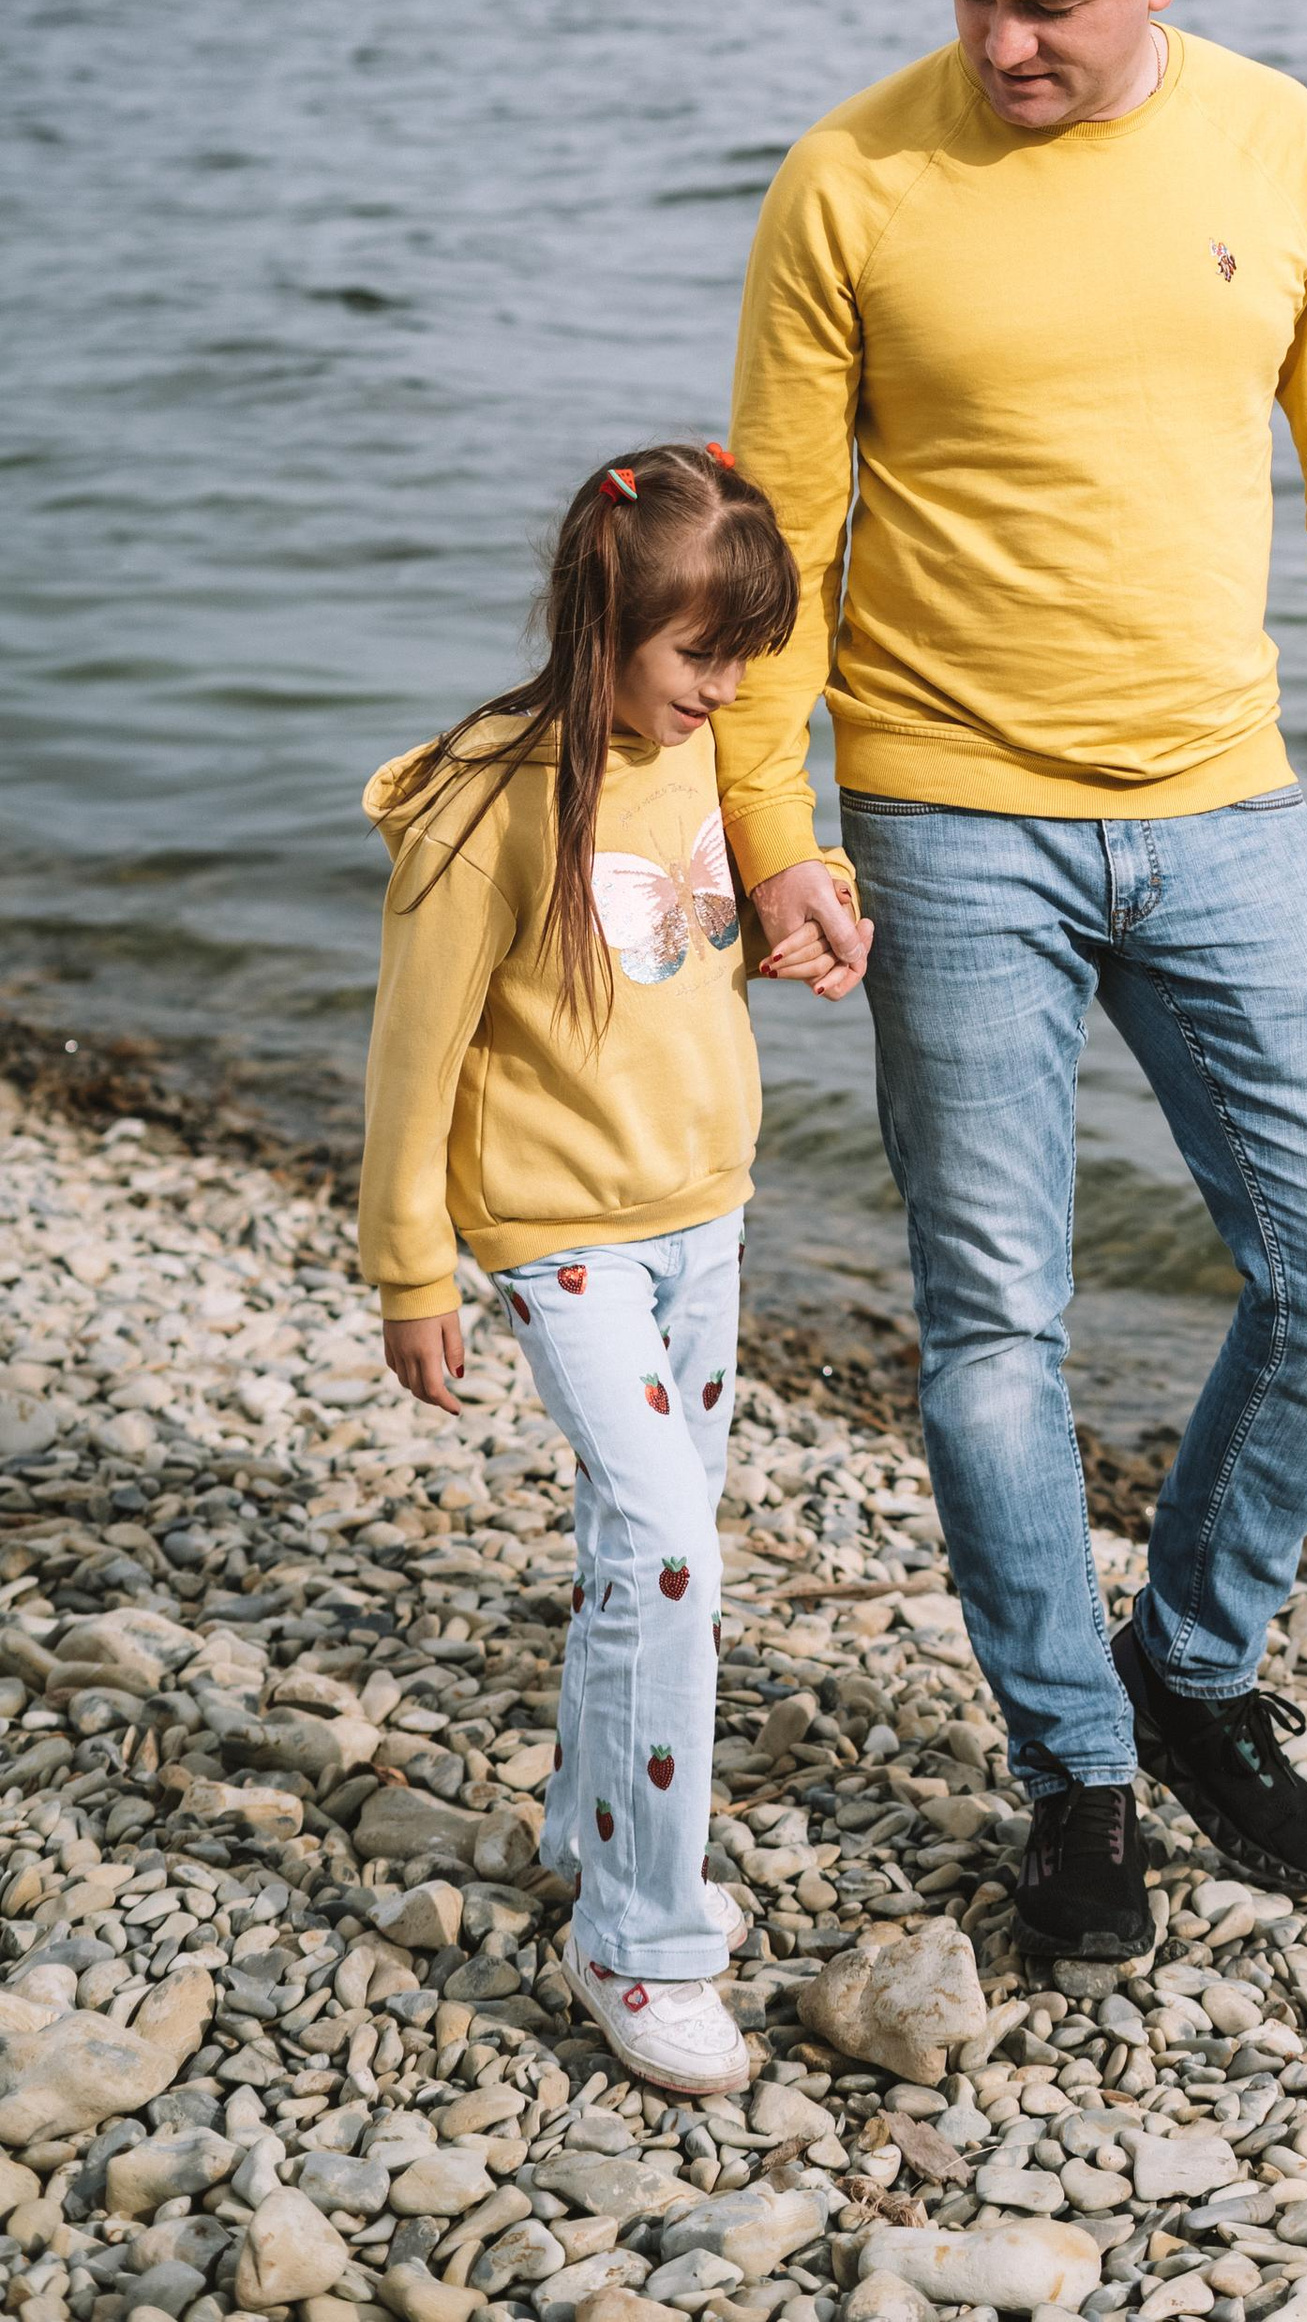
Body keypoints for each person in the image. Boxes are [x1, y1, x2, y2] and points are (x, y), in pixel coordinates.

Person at [719, 0, 1307, 1969]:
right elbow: (777, 553)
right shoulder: (848, 181)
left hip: (1225, 801)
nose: (1002, 45)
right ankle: (1075, 1775)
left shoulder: (1275, 142)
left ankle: (1194, 1660)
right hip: (947, 822)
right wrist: (774, 836)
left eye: (1049, 5)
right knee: (988, 1336)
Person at [355, 441, 852, 2093]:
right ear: (603, 624)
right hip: (557, 1235)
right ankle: (639, 1939)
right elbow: (414, 1055)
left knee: (638, 1546)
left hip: (703, 1209)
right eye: (700, 652)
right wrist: (410, 1266)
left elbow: (683, 956)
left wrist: (807, 910)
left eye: (745, 653)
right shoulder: (493, 801)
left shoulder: (699, 758)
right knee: (669, 1555)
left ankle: (591, 1819)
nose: (728, 686)